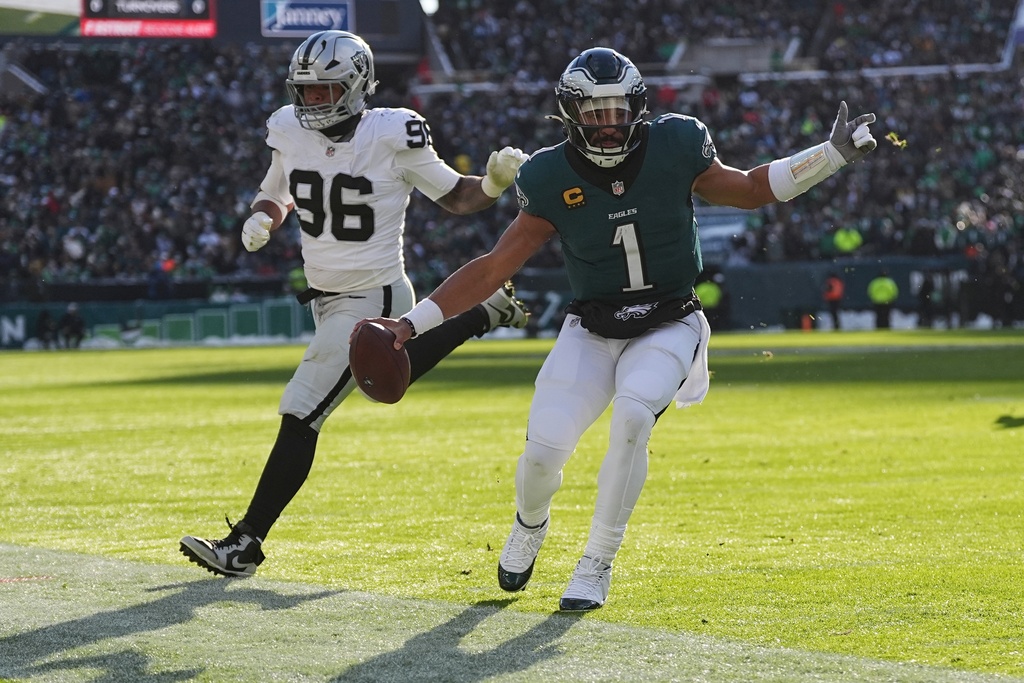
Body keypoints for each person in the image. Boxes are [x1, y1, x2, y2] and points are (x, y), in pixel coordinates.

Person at [359, 48, 878, 610]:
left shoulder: (676, 143)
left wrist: (830, 155)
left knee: (633, 417)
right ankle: (530, 524)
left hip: (670, 319)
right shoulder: (548, 175)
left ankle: (597, 561)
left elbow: (751, 188)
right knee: (542, 454)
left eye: (617, 111)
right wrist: (410, 324)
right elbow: (492, 268)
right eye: (594, 113)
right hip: (592, 325)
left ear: (637, 108)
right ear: (571, 114)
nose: (608, 125)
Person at [179, 30, 530, 577]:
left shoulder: (391, 133)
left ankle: (245, 543)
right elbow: (276, 190)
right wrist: (263, 217)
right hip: (325, 296)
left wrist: (491, 183)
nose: (313, 100)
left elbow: (457, 197)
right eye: (306, 90)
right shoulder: (288, 127)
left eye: (326, 89)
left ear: (357, 86)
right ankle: (480, 314)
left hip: (372, 294)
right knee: (385, 377)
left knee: (303, 410)